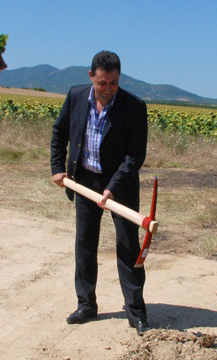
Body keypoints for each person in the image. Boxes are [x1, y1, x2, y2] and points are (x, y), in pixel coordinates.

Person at [50, 50, 150, 335]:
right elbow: (60, 132)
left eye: (114, 83)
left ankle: (136, 312)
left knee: (128, 246)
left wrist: (112, 188)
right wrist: (58, 167)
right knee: (85, 244)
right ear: (91, 76)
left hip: (121, 184)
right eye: (102, 82)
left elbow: (135, 155)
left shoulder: (134, 106)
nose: (108, 89)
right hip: (84, 180)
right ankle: (86, 305)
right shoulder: (76, 96)